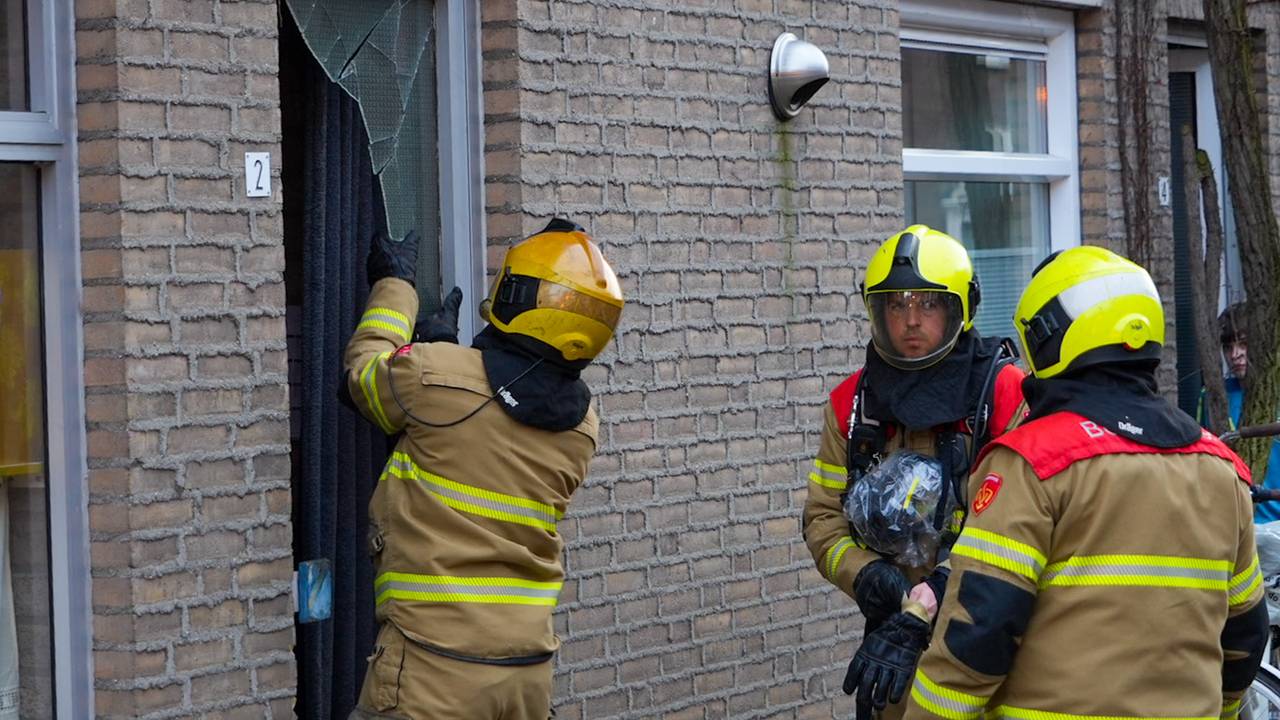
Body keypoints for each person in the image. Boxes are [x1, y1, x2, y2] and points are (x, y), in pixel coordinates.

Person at [901, 247, 1268, 719]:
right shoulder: (1221, 469)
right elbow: (1246, 634)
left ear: (1047, 337)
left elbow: (978, 632)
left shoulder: (1032, 464)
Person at [343, 218, 624, 720]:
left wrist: (395, 287)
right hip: (526, 675)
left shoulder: (431, 378)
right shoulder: (582, 430)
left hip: (433, 670)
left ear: (516, 296)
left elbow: (363, 378)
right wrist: (453, 357)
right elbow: (493, 425)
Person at [803, 225, 1027, 719]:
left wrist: (941, 588)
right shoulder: (852, 405)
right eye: (896, 305)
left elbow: (1022, 529)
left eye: (927, 304)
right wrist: (866, 578)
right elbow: (822, 519)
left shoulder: (1006, 396)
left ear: (959, 308)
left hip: (990, 633)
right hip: (892, 638)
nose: (909, 321)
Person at [1199, 301, 1280, 521]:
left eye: (1244, 344)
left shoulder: (1274, 392)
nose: (1235, 354)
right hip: (1235, 522)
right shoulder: (1213, 396)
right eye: (1227, 346)